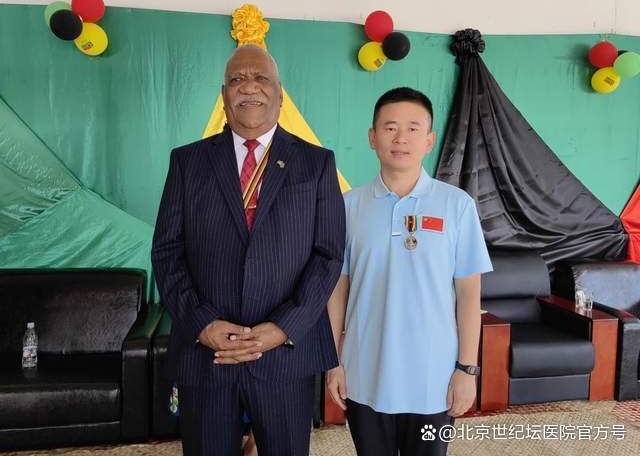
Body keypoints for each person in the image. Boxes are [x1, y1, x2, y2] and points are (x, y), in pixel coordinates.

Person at [152, 44, 345, 456]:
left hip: (285, 355)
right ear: (224, 95)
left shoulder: (316, 163)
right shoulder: (187, 162)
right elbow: (167, 252)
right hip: (207, 355)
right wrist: (203, 325)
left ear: (280, 93)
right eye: (237, 79)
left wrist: (284, 327)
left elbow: (328, 255)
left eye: (261, 78)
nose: (249, 87)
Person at [326, 87, 493, 456]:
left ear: (429, 140)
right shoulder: (347, 207)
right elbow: (338, 289)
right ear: (372, 137)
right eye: (390, 128)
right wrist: (333, 362)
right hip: (364, 373)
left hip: (434, 378)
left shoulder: (457, 206)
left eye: (413, 128)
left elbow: (469, 294)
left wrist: (467, 369)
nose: (401, 138)